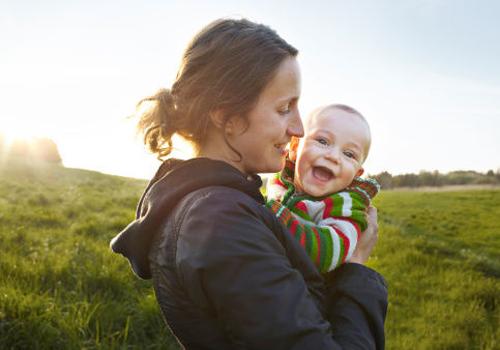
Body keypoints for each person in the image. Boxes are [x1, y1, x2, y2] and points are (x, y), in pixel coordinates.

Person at [110, 18, 387, 349]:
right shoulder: (220, 222)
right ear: (226, 115)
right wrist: (356, 266)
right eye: (285, 108)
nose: (299, 129)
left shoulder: (223, 205)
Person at [266, 104, 381, 273]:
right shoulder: (280, 177)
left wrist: (272, 216)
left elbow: (328, 253)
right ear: (295, 147)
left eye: (349, 154)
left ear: (356, 174)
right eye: (322, 141)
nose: (333, 157)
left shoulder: (345, 205)